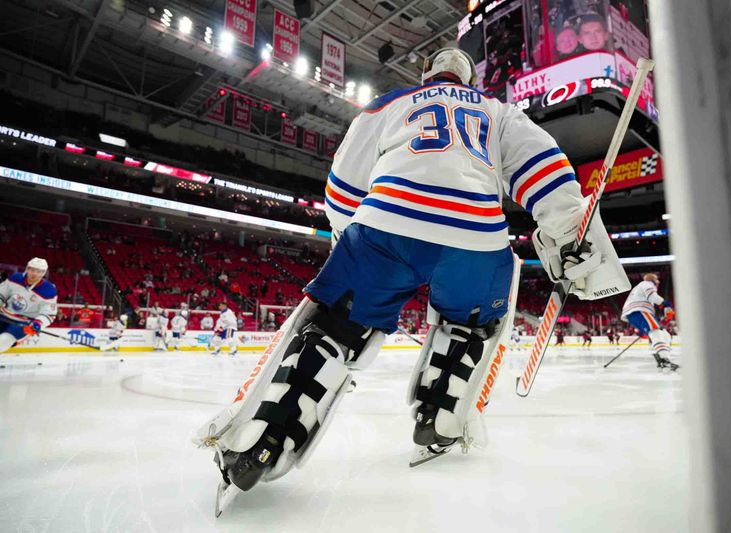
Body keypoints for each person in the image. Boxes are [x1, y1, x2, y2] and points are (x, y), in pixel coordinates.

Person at [197, 47, 628, 499]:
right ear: (470, 79)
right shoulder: (499, 112)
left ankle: (267, 435)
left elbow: (342, 187)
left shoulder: (389, 104)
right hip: (476, 235)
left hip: (388, 221)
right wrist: (565, 234)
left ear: (426, 74)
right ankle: (441, 416)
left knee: (336, 327)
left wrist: (351, 243)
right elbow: (545, 169)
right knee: (468, 327)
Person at [621, 273, 678, 370]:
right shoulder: (647, 284)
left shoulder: (640, 287)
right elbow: (653, 297)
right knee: (656, 332)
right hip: (639, 310)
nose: (658, 282)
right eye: (657, 280)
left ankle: (661, 357)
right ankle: (664, 359)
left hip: (636, 312)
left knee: (665, 335)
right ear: (654, 280)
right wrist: (666, 304)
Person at [0, 258, 57, 353]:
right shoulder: (15, 278)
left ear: (43, 273)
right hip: (4, 315)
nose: (34, 273)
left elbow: (49, 314)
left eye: (39, 271)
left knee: (3, 341)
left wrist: (39, 323)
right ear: (27, 269)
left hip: (24, 323)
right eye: (32, 270)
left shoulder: (49, 290)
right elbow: (2, 294)